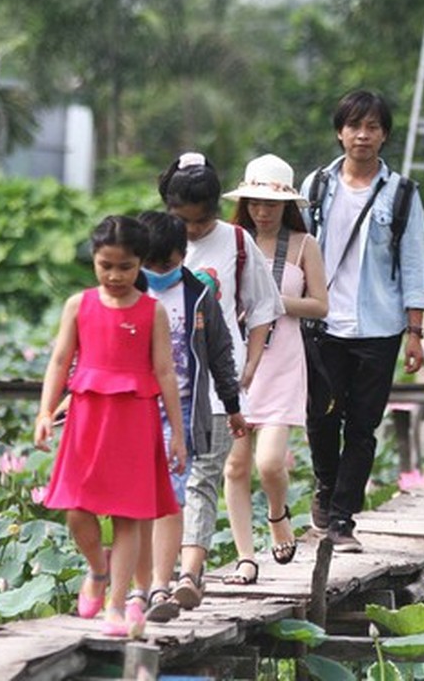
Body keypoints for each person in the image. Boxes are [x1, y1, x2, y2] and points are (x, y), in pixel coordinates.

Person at [33, 215, 187, 638]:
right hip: (86, 416)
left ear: (140, 264)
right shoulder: (78, 305)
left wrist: (177, 434)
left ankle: (117, 606)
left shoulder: (152, 311)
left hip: (135, 419)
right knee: (76, 510)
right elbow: (60, 361)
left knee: (128, 517)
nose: (115, 275)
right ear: (94, 261)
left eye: (125, 267)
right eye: (106, 265)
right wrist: (46, 413)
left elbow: (165, 372)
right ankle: (97, 569)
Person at [300, 89, 424, 553]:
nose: (363, 135)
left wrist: (415, 333)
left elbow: (415, 264)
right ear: (340, 132)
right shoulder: (315, 186)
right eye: (354, 126)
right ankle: (325, 488)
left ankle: (341, 518)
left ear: (384, 135)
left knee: (362, 426)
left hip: (380, 326)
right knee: (320, 416)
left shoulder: (402, 194)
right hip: (323, 323)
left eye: (372, 127)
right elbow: (296, 251)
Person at [157, 153, 285, 605]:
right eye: (182, 220)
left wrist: (248, 366)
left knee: (203, 479)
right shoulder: (153, 239)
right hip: (158, 386)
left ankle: (189, 575)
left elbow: (263, 308)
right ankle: (158, 577)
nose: (190, 231)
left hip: (215, 383)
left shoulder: (236, 242)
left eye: (199, 220)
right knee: (164, 481)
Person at [221, 154, 329, 582]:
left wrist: (272, 304)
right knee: (234, 466)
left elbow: (321, 305)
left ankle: (278, 513)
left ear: (287, 205)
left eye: (271, 204)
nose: (262, 211)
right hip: (235, 359)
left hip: (283, 359)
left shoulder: (305, 246)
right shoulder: (230, 240)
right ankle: (247, 557)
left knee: (269, 463)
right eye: (254, 203)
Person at [131, 211, 241, 621]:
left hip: (179, 416)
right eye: (152, 265)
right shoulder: (129, 291)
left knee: (170, 500)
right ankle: (135, 587)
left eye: (169, 265)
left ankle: (161, 586)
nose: (159, 273)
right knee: (135, 504)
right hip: (132, 411)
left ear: (183, 256)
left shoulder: (199, 297)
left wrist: (232, 406)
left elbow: (220, 353)